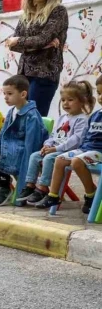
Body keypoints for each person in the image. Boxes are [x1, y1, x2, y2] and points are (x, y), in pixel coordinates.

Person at [15, 81, 93, 207]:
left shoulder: (82, 119)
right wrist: (47, 145)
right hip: (55, 148)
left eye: (70, 100)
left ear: (82, 101)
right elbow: (53, 135)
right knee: (35, 156)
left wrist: (56, 148)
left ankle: (43, 187)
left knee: (50, 158)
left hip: (68, 151)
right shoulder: (63, 118)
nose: (65, 103)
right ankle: (30, 185)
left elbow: (76, 140)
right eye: (63, 100)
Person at [6, 0, 68, 117]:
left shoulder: (58, 11)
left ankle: (38, 142)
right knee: (21, 116)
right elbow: (13, 45)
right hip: (23, 73)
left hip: (44, 72)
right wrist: (37, 44)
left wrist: (22, 41)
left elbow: (40, 39)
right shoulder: (26, 13)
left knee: (35, 117)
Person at [34, 78, 102, 212]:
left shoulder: (84, 118)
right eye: (99, 93)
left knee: (76, 162)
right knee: (60, 159)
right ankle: (53, 195)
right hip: (86, 150)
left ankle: (91, 195)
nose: (100, 97)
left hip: (99, 152)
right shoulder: (95, 116)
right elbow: (87, 137)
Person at [0, 75, 47, 206]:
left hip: (23, 147)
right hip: (11, 144)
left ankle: (24, 189)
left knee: (3, 152)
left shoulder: (32, 115)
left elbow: (32, 144)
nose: (6, 97)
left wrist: (27, 176)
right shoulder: (11, 111)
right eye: (5, 94)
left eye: (10, 94)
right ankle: (3, 184)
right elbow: (3, 133)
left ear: (23, 94)